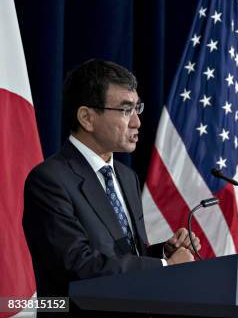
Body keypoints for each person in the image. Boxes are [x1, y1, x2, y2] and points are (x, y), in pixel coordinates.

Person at [23, 59, 200, 302]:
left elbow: (124, 254)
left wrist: (162, 251)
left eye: (137, 109)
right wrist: (164, 266)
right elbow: (78, 265)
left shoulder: (127, 177)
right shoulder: (49, 180)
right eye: (126, 110)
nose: (137, 122)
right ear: (87, 117)